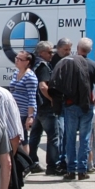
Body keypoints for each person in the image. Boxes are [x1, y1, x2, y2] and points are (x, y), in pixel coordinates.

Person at [50, 39, 95, 180]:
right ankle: (82, 171)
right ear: (90, 50)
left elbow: (57, 83)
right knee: (84, 139)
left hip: (70, 105)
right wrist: (94, 102)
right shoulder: (93, 65)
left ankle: (71, 170)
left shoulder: (68, 62)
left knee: (70, 138)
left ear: (78, 48)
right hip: (86, 105)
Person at [30, 42, 61, 174]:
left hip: (36, 105)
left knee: (35, 135)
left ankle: (31, 163)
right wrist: (52, 99)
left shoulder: (32, 63)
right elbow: (43, 86)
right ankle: (52, 166)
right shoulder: (42, 66)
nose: (51, 54)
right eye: (49, 52)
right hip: (45, 106)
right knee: (53, 137)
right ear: (41, 53)